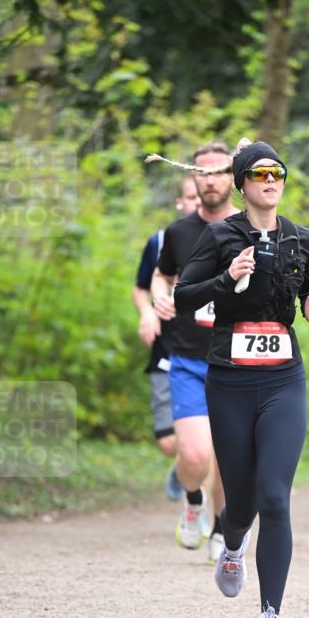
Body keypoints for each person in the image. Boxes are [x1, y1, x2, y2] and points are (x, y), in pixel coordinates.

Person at [173, 139, 309, 618]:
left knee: (274, 498)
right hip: (230, 381)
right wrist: (227, 277)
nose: (269, 181)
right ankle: (232, 542)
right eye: (259, 173)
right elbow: (183, 296)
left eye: (276, 173)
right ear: (242, 183)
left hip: (284, 379)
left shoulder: (301, 237)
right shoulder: (221, 235)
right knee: (240, 505)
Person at [151, 141, 235, 565]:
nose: (211, 180)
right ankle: (192, 499)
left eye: (220, 171)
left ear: (233, 177)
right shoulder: (179, 232)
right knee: (197, 455)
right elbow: (160, 276)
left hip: (236, 362)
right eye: (203, 173)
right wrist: (160, 297)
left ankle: (222, 529)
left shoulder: (250, 228)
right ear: (193, 178)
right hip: (187, 360)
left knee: (229, 459)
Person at [132, 177, 200, 501]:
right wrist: (147, 312)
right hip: (167, 347)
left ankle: (198, 494)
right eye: (190, 197)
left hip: (209, 349)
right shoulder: (160, 241)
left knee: (207, 435)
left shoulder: (228, 238)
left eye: (200, 197)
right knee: (167, 440)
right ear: (179, 202)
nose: (197, 202)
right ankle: (185, 463)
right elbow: (140, 287)